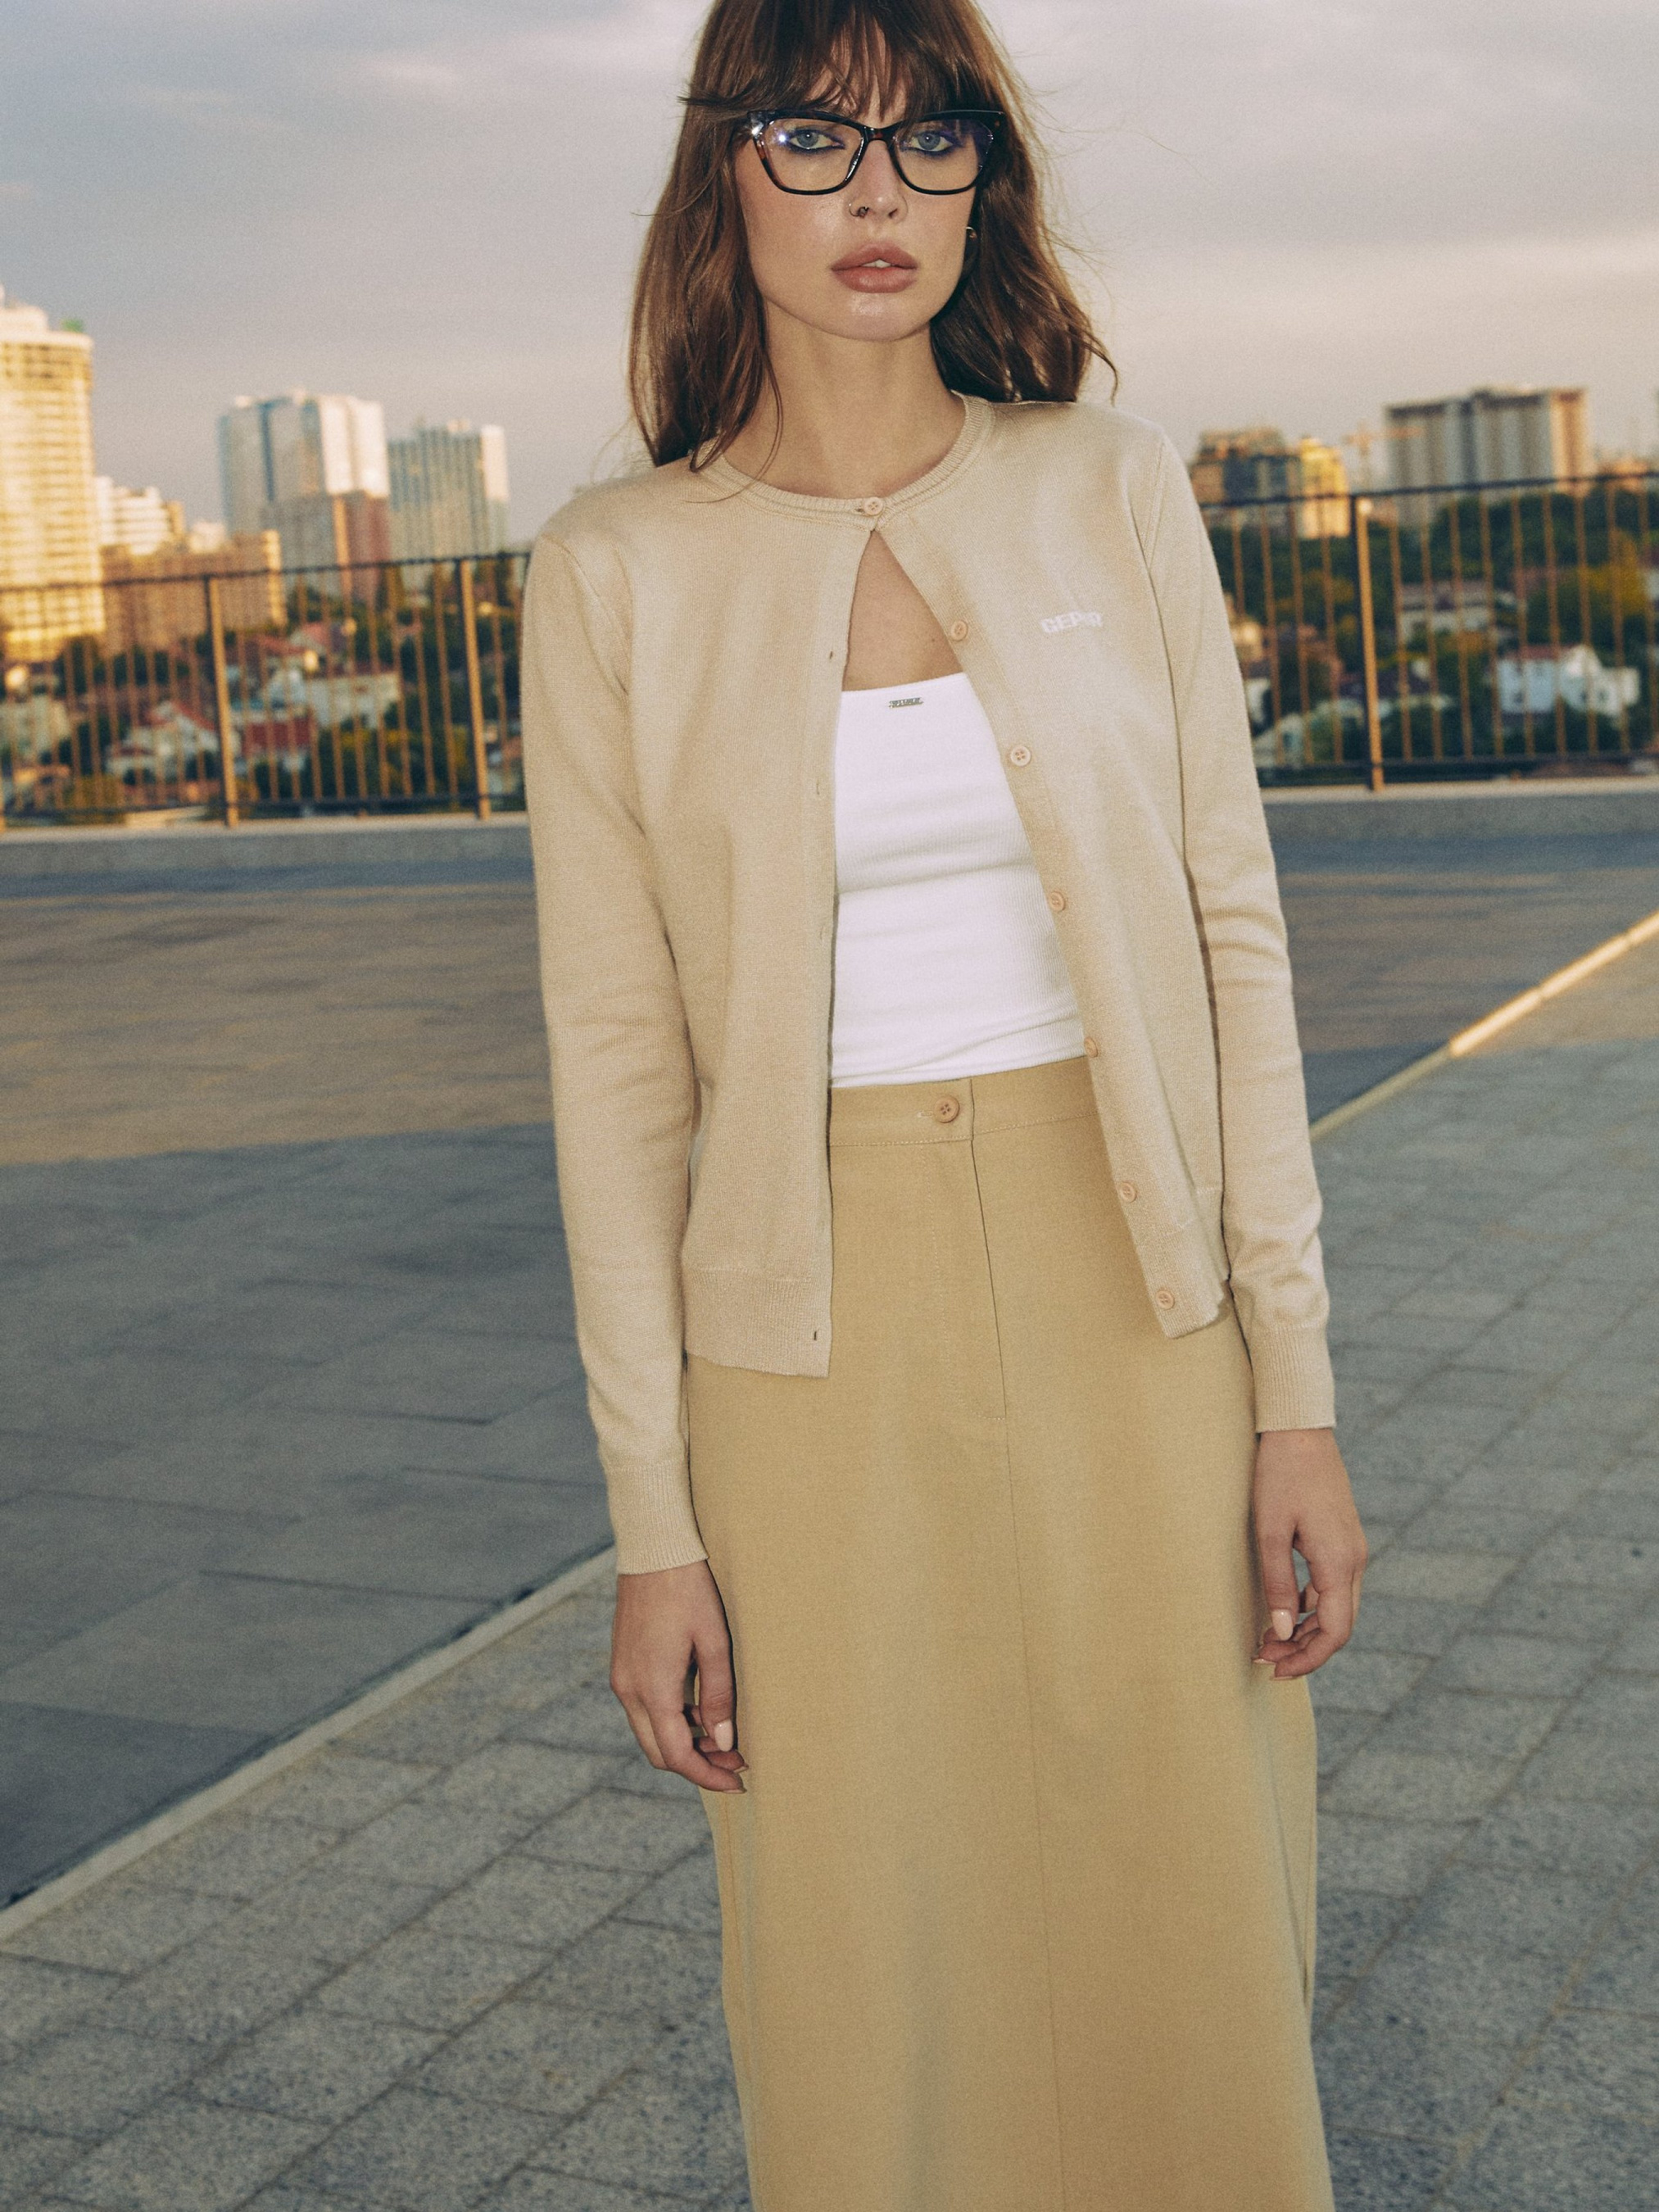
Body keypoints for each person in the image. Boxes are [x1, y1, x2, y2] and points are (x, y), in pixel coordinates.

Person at [521, 2, 1367, 2205]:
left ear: (988, 177)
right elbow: (615, 1070)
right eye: (814, 135)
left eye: (928, 137)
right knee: (858, 1948)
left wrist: (1293, 1396)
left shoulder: (1105, 486)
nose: (876, 193)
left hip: (1135, 1293)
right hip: (804, 1352)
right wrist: (652, 1527)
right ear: (723, 175)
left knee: (1189, 1904)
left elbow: (1233, 939)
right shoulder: (614, 569)